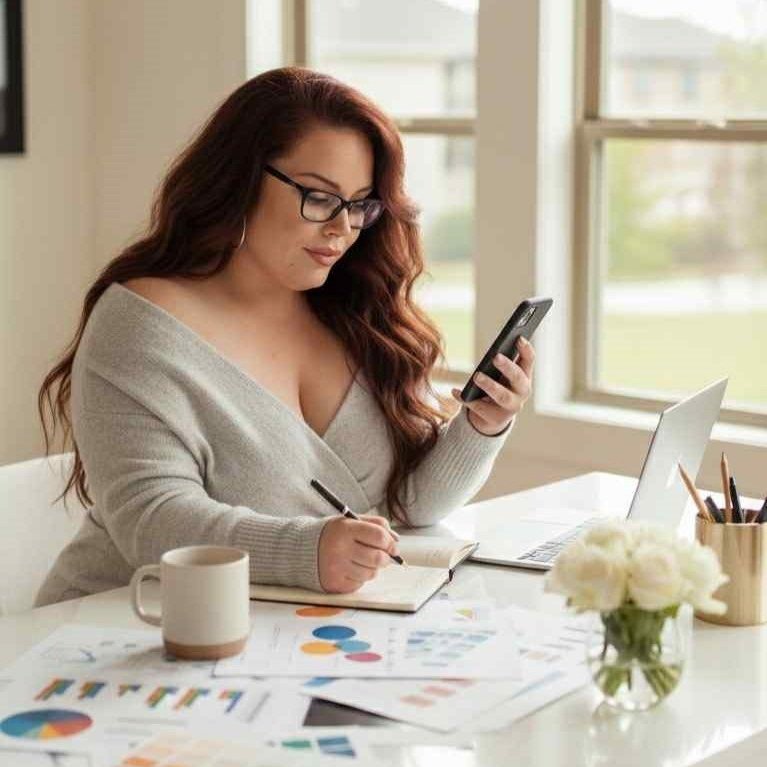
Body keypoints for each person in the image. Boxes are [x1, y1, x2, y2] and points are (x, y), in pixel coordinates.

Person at [35, 67, 534, 607]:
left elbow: (405, 506)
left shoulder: (350, 311)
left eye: (360, 205)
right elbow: (152, 521)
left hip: (279, 635)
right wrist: (309, 551)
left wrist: (481, 427)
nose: (342, 228)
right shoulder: (141, 322)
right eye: (319, 198)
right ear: (240, 179)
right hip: (116, 634)